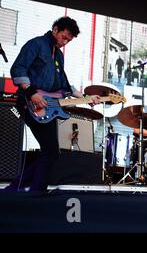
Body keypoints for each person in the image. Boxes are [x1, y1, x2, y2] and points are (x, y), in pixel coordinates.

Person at [6, 17, 101, 194]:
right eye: (64, 37)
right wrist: (31, 93)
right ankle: (34, 189)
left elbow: (63, 85)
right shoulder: (36, 44)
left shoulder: (58, 54)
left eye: (69, 40)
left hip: (48, 105)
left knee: (50, 151)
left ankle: (19, 187)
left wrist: (87, 97)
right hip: (30, 101)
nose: (65, 42)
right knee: (50, 150)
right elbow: (18, 68)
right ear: (55, 29)